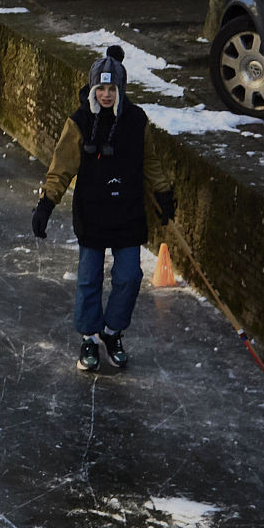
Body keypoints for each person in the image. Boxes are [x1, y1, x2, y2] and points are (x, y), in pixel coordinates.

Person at [32, 47, 175, 374]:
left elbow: (150, 161)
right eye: (102, 88)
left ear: (120, 90)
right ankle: (89, 338)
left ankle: (112, 333)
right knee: (89, 279)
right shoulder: (80, 122)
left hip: (127, 211)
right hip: (93, 212)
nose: (107, 94)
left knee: (129, 276)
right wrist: (46, 203)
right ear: (93, 89)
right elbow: (62, 166)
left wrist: (164, 193)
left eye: (113, 89)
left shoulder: (136, 120)